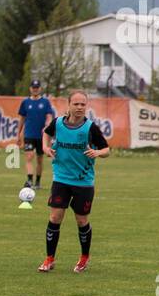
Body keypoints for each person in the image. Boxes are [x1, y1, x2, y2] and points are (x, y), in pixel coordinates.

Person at [38, 90, 109, 273]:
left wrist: (97, 153)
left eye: (83, 104)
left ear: (87, 106)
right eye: (76, 104)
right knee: (55, 217)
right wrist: (46, 147)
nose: (79, 107)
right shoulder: (58, 123)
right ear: (68, 105)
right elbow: (46, 133)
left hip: (83, 182)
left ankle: (84, 258)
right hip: (61, 179)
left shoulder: (90, 128)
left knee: (81, 220)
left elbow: (107, 149)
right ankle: (49, 259)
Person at [18, 79, 57, 189]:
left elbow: (49, 116)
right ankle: (29, 181)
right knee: (29, 156)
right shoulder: (25, 103)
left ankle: (38, 182)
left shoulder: (45, 102)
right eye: (33, 87)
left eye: (37, 87)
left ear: (40, 88)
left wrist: (47, 125)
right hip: (29, 134)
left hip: (41, 136)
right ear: (30, 88)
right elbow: (21, 119)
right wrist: (18, 135)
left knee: (40, 159)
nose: (35, 89)